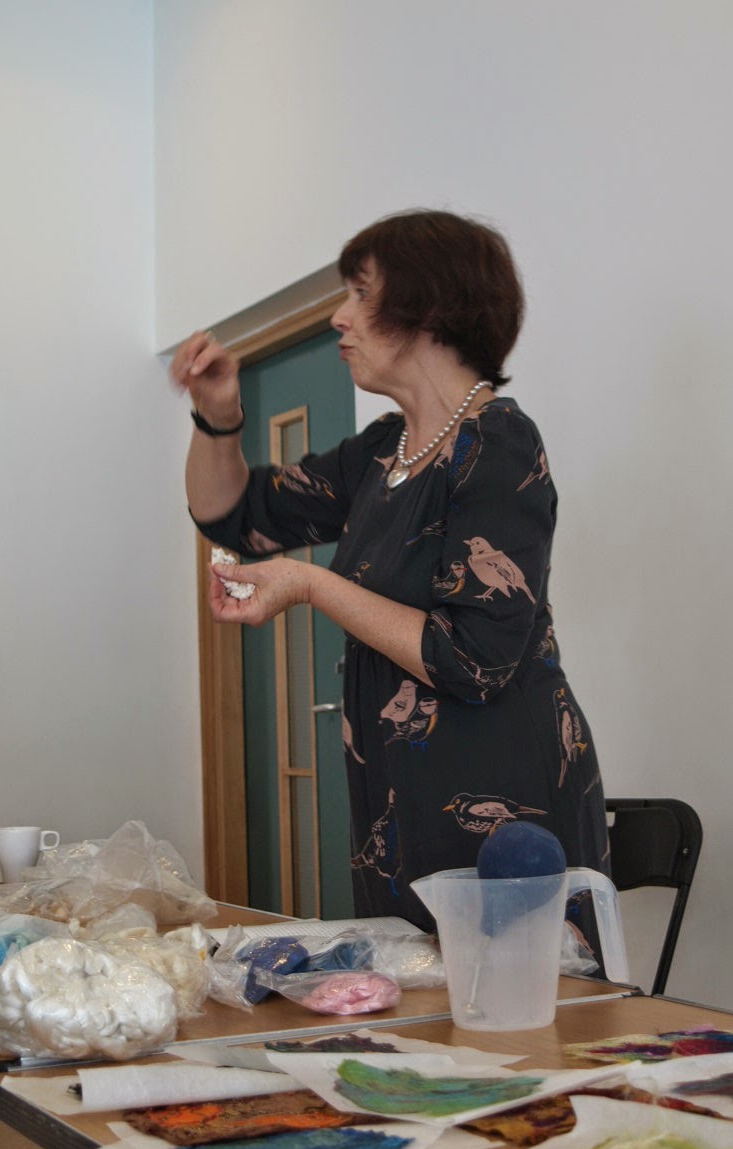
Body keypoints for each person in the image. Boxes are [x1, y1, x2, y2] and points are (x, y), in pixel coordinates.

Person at [172, 209, 609, 945]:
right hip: (398, 812)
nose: (339, 317)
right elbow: (234, 516)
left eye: (360, 293)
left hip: (502, 813)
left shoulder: (496, 446)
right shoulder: (385, 451)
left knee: (508, 1037)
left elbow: (474, 660)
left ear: (430, 309)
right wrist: (218, 416)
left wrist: (312, 586)